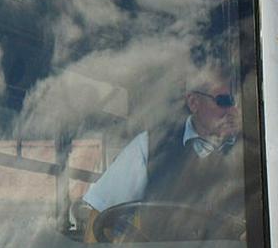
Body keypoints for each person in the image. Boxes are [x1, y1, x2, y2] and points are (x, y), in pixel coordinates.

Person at [80, 65, 244, 236]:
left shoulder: (253, 148)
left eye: (238, 103)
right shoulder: (152, 145)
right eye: (225, 102)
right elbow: (101, 210)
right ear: (194, 102)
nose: (234, 111)